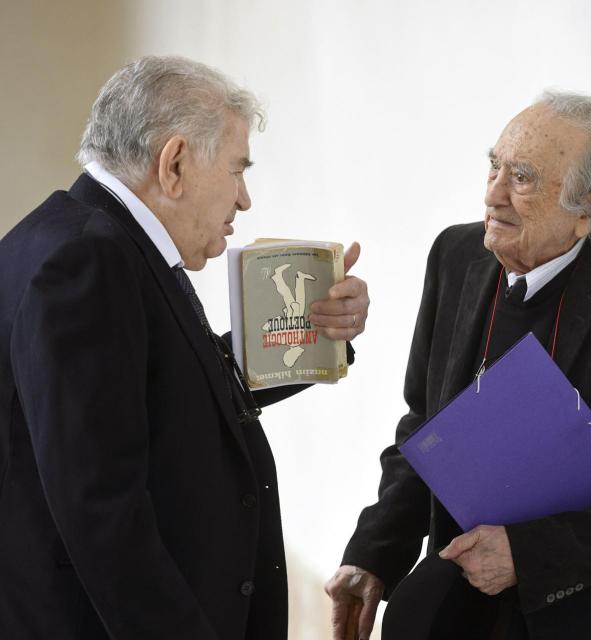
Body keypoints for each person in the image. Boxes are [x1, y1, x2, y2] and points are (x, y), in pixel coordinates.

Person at [325, 92, 591, 639]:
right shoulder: (457, 258)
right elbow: (425, 430)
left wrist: (526, 554)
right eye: (494, 166)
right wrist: (374, 554)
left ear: (588, 210)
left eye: (523, 178)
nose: (492, 194)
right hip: (464, 597)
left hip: (587, 611)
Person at [0, 55, 369, 639]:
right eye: (237, 169)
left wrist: (318, 335)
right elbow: (102, 509)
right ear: (174, 164)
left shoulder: (86, 237)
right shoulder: (90, 260)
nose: (244, 199)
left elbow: (169, 389)